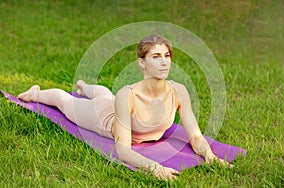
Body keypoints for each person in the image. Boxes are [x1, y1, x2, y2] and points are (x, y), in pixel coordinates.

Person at [18, 34, 232, 180]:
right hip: (104, 118)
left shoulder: (179, 91)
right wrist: (155, 167)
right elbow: (123, 150)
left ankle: (83, 86)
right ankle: (36, 92)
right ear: (142, 63)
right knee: (66, 102)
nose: (164, 62)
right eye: (156, 57)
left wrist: (209, 155)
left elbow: (194, 135)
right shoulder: (128, 95)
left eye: (167, 56)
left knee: (104, 93)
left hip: (115, 104)